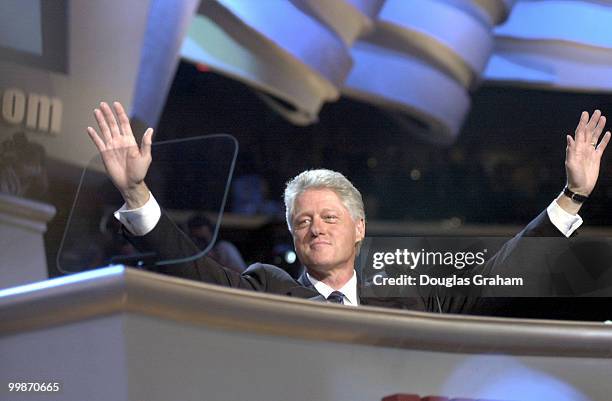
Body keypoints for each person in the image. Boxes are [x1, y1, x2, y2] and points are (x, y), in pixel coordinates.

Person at [86, 101, 610, 314]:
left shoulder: (409, 293)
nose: (315, 228)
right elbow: (193, 270)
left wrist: (572, 196)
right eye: (302, 222)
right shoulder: (268, 287)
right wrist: (136, 193)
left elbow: (502, 273)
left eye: (328, 217)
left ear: (359, 228)